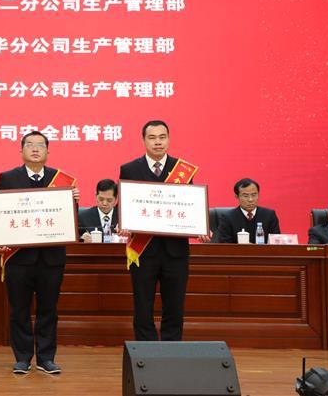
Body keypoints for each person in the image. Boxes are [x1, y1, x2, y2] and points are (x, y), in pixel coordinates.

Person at [0, 131, 79, 375]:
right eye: (29, 145)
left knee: (48, 310)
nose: (35, 149)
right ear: (21, 151)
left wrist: (73, 201)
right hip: (19, 258)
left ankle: (46, 358)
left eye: (40, 145)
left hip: (51, 258)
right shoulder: (8, 178)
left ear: (47, 151)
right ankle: (22, 358)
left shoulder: (61, 180)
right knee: (19, 310)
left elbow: (68, 220)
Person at [119, 120, 209, 342]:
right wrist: (123, 223)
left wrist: (200, 226)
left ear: (168, 139)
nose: (157, 142)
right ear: (143, 141)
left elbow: (188, 206)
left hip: (175, 251)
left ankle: (172, 350)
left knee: (175, 305)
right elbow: (126, 206)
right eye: (152, 138)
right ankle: (145, 351)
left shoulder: (182, 170)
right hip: (143, 250)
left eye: (162, 137)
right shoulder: (129, 169)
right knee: (143, 305)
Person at [214, 178, 280, 244]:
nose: (250, 199)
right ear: (237, 196)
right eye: (245, 196)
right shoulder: (227, 218)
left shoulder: (269, 215)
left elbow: (276, 243)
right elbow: (225, 245)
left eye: (254, 195)